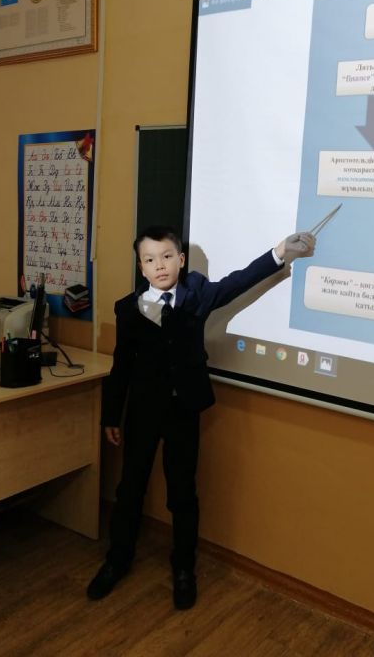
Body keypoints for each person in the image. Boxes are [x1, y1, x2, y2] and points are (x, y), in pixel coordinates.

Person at [87, 225, 315, 609]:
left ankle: (183, 569)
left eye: (166, 256)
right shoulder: (127, 308)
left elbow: (238, 282)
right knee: (130, 489)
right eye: (149, 259)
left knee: (182, 493)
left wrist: (279, 252)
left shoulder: (198, 294)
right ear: (141, 267)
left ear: (180, 259)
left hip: (183, 412)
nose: (159, 265)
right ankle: (117, 560)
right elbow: (121, 365)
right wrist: (111, 415)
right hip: (142, 412)